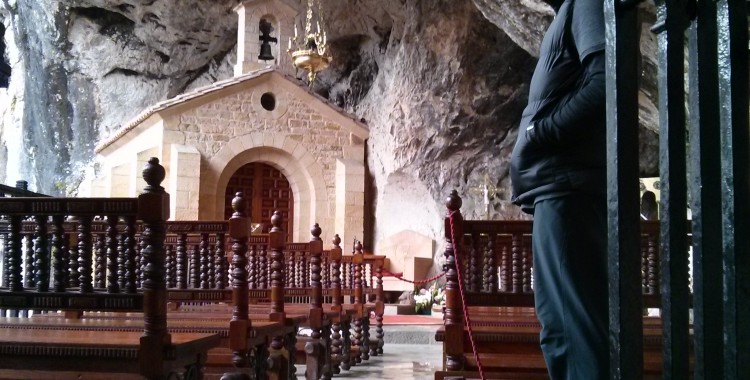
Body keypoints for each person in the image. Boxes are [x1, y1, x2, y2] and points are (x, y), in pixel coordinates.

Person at [509, 0, 608, 379]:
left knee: (572, 332)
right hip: (557, 191)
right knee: (558, 328)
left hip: (566, 192)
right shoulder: (571, 9)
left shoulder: (585, 3)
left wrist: (539, 132)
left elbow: (604, 83)